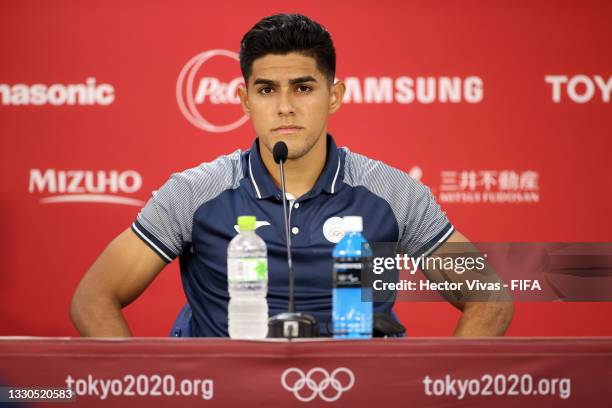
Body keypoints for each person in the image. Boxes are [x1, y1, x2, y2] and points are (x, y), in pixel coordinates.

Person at [70, 13, 513, 337]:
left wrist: (441, 390)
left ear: (334, 95)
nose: (285, 106)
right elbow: (93, 299)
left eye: (303, 87)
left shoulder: (393, 193)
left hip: (359, 391)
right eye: (266, 90)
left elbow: (489, 296)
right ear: (245, 100)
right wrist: (144, 391)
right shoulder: (193, 193)